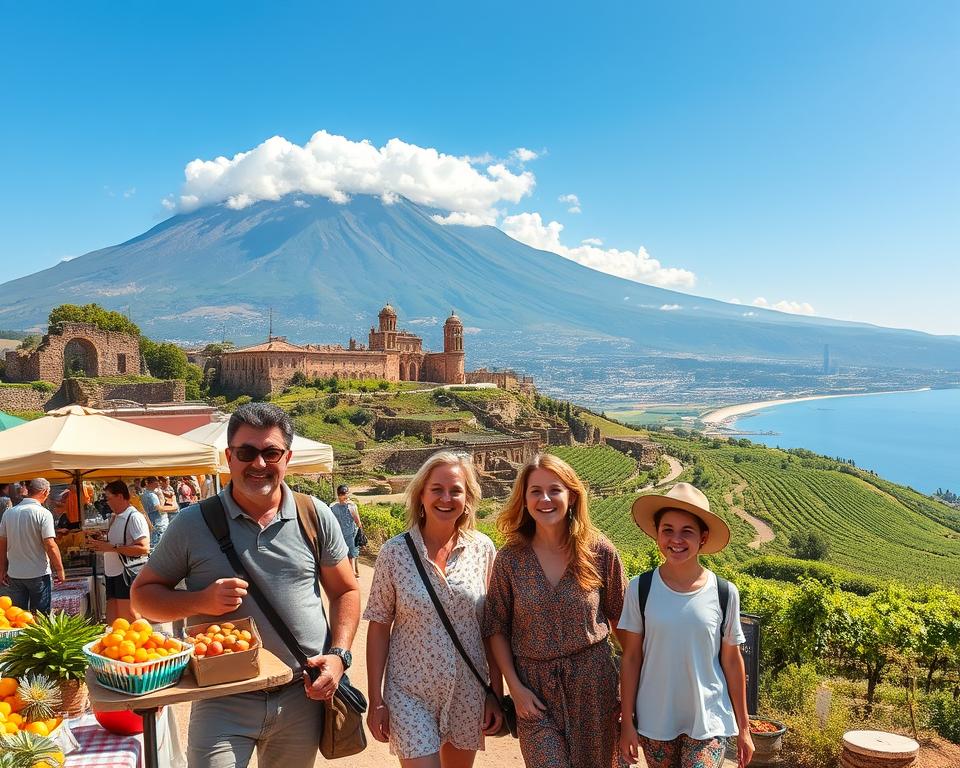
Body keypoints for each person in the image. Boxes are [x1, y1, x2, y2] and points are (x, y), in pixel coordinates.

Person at [131, 402, 360, 768]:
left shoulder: (313, 514)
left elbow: (345, 590)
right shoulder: (192, 524)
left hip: (300, 696)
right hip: (222, 698)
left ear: (287, 456)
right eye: (246, 452)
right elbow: (143, 598)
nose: (259, 464)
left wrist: (339, 655)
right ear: (229, 457)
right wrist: (200, 600)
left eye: (271, 452)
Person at [483, 453, 626, 768]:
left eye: (554, 490)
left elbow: (623, 624)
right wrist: (515, 689)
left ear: (572, 496)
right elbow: (496, 628)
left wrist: (632, 690)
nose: (544, 499)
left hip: (594, 687)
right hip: (534, 692)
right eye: (535, 491)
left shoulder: (600, 552)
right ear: (524, 498)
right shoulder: (510, 559)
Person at [364, 451, 503, 767]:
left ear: (467, 497)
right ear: (421, 496)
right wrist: (376, 700)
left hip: (468, 691)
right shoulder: (395, 553)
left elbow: (491, 629)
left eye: (455, 490)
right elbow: (379, 625)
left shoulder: (483, 549)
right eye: (436, 489)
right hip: (409, 691)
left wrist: (495, 692)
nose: (446, 497)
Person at [618, 483, 753, 768]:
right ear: (657, 533)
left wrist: (744, 728)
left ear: (703, 538)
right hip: (655, 719)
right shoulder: (639, 589)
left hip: (710, 718)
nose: (676, 539)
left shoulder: (724, 593)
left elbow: (731, 661)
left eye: (686, 531)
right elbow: (631, 658)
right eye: (667, 529)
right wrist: (627, 722)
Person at [85, 480, 149, 622]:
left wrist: (111, 548)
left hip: (126, 573)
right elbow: (115, 543)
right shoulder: (116, 517)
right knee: (114, 617)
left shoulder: (134, 517)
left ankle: (139, 641)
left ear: (120, 496)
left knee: (129, 616)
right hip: (113, 573)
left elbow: (143, 548)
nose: (107, 502)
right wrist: (101, 542)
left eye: (108, 498)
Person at [0, 478, 65, 614]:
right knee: (40, 620)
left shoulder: (9, 513)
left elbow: (2, 544)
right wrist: (59, 570)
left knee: (18, 618)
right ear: (45, 492)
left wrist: (2, 568)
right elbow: (50, 545)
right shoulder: (43, 513)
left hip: (15, 573)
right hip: (38, 573)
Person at [330, 484, 362, 577]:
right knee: (351, 552)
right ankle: (351, 572)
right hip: (348, 533)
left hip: (341, 534)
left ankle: (347, 572)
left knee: (344, 552)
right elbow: (358, 522)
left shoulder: (332, 506)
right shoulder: (351, 506)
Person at [139, 477, 166, 548]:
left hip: (151, 520)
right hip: (157, 521)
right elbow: (159, 508)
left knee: (153, 543)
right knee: (158, 544)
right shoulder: (152, 495)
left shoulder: (143, 495)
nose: (158, 483)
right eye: (156, 482)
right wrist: (174, 508)